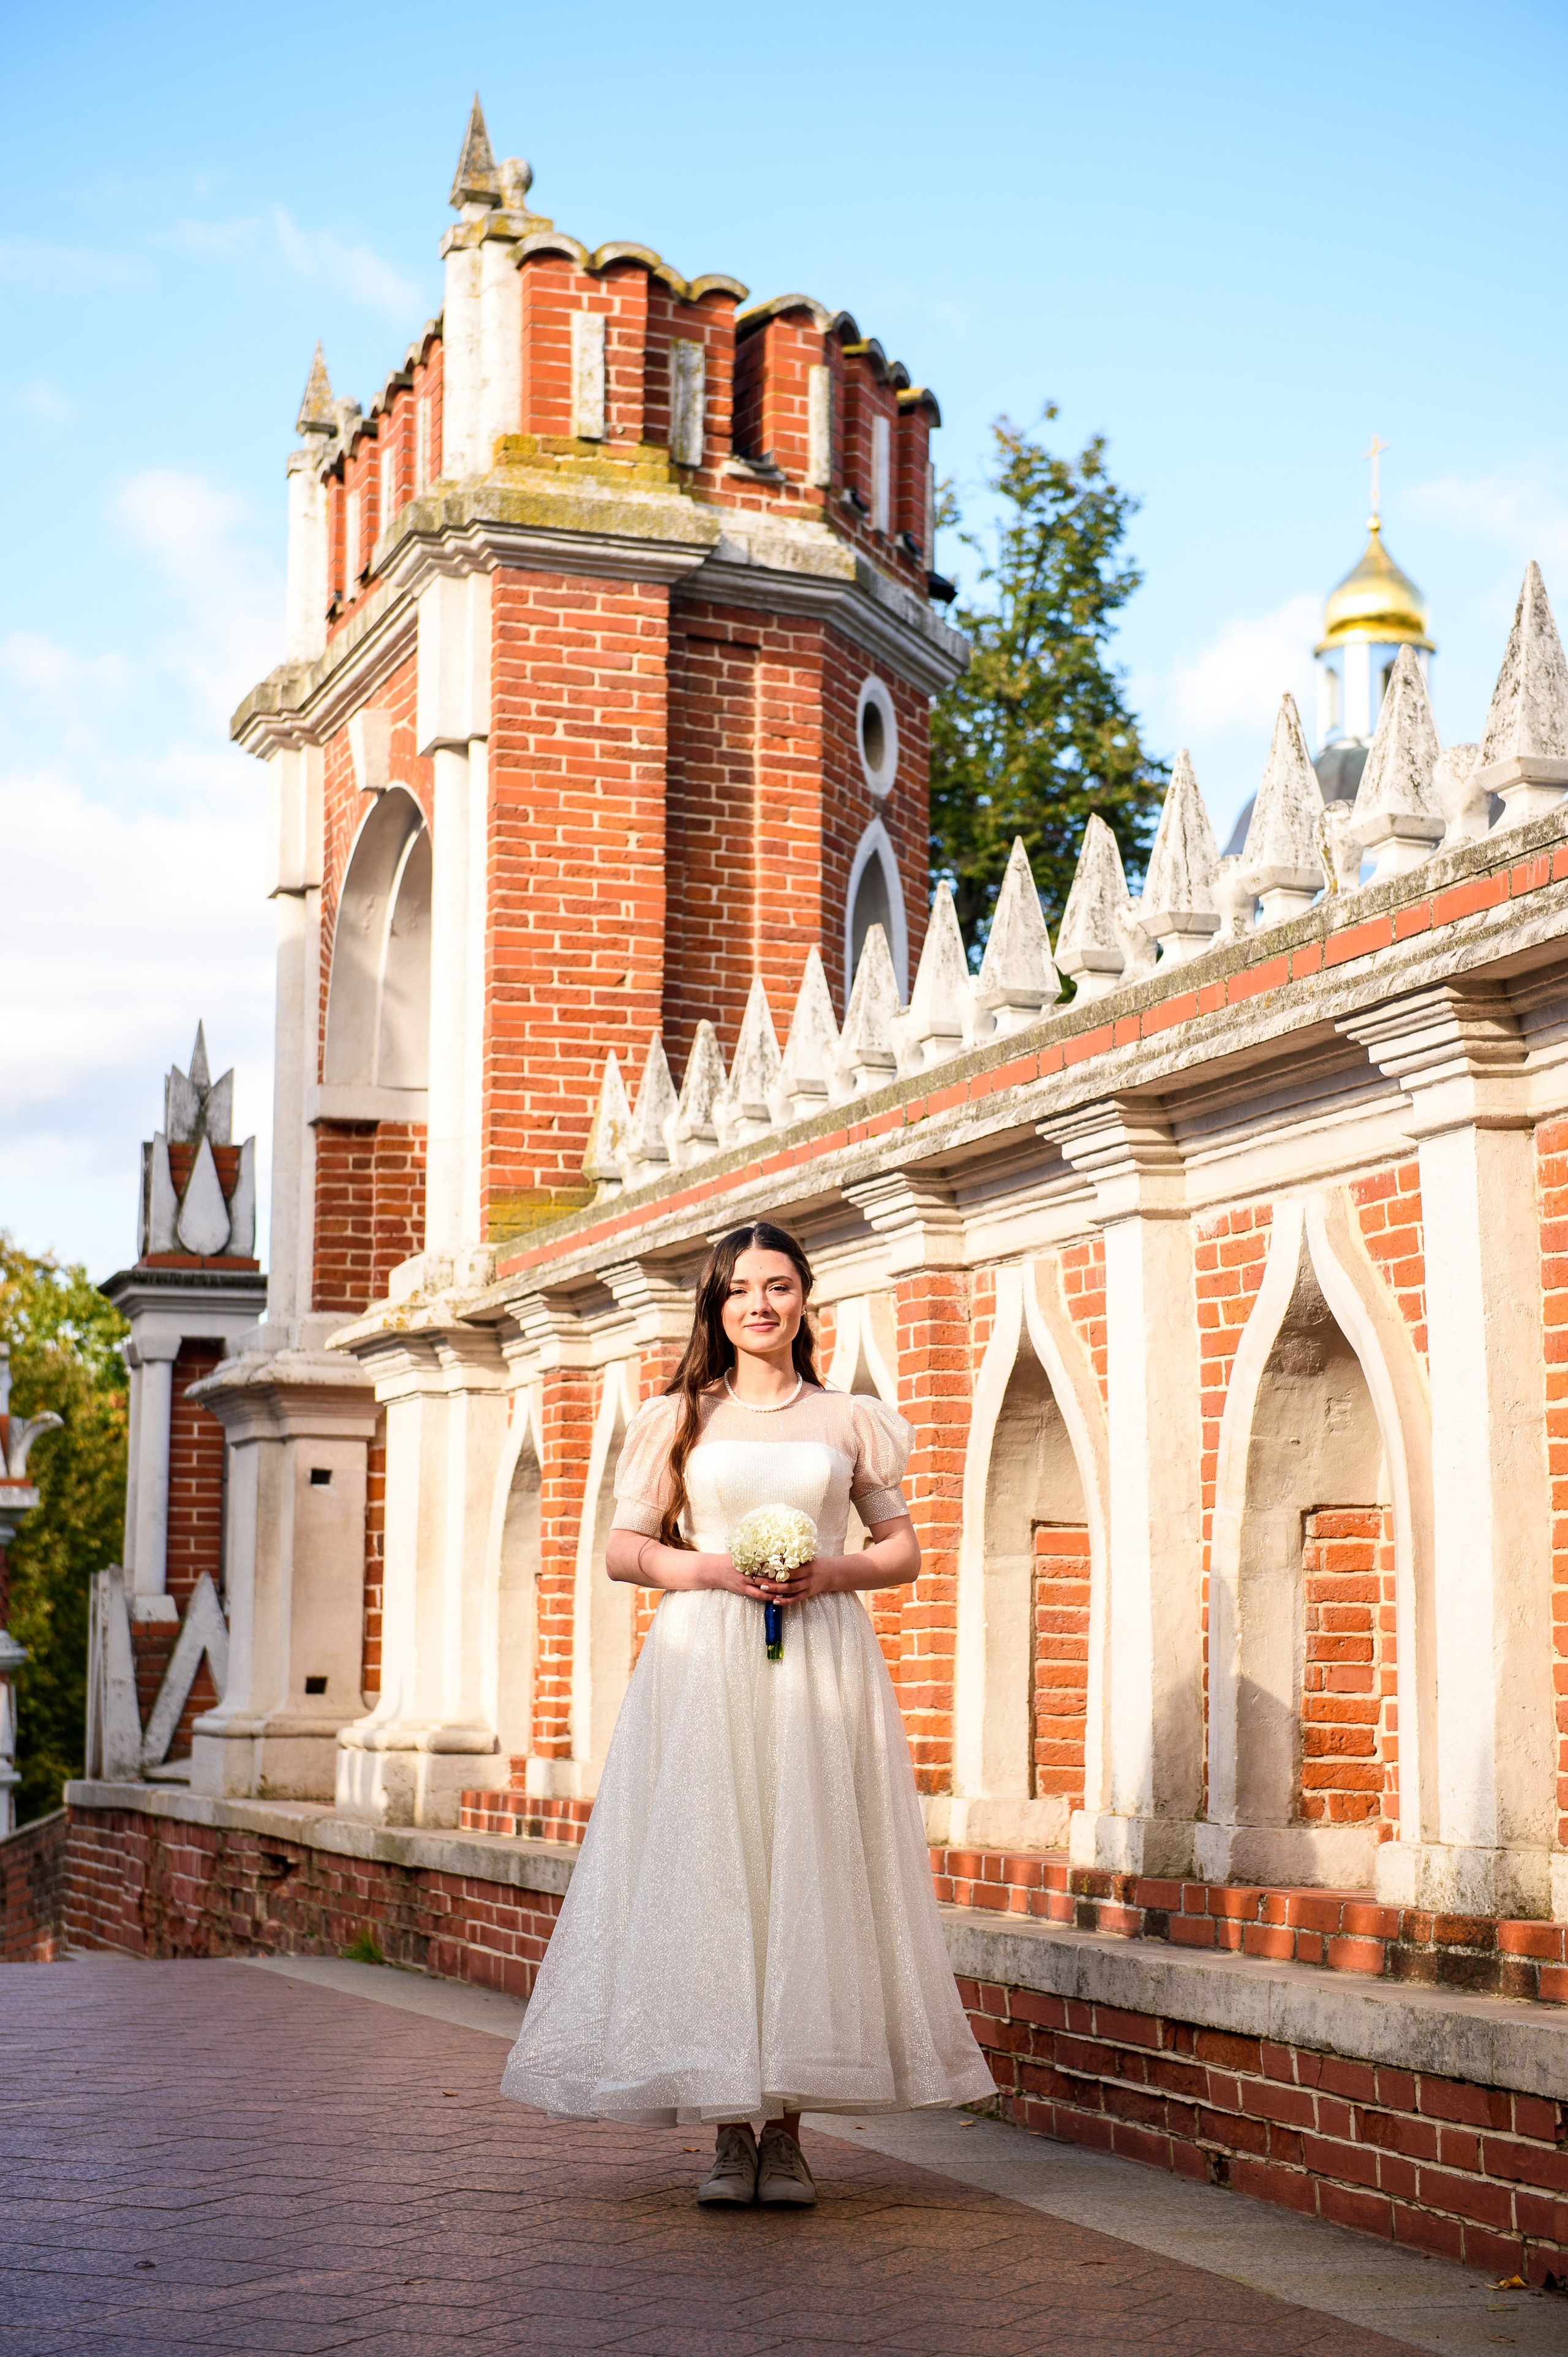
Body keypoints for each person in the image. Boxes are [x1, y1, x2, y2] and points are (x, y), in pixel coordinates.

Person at [500, 1219, 993, 2206]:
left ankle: (791, 2137)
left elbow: (902, 1552)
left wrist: (826, 1573)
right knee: (716, 1868)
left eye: (777, 1287)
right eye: (738, 1290)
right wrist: (718, 1570)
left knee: (809, 1864)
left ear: (805, 1299)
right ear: (715, 1307)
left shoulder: (848, 1419)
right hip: (707, 1662)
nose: (759, 1306)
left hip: (819, 1657)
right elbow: (624, 1550)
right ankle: (730, 2134)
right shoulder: (679, 1416)